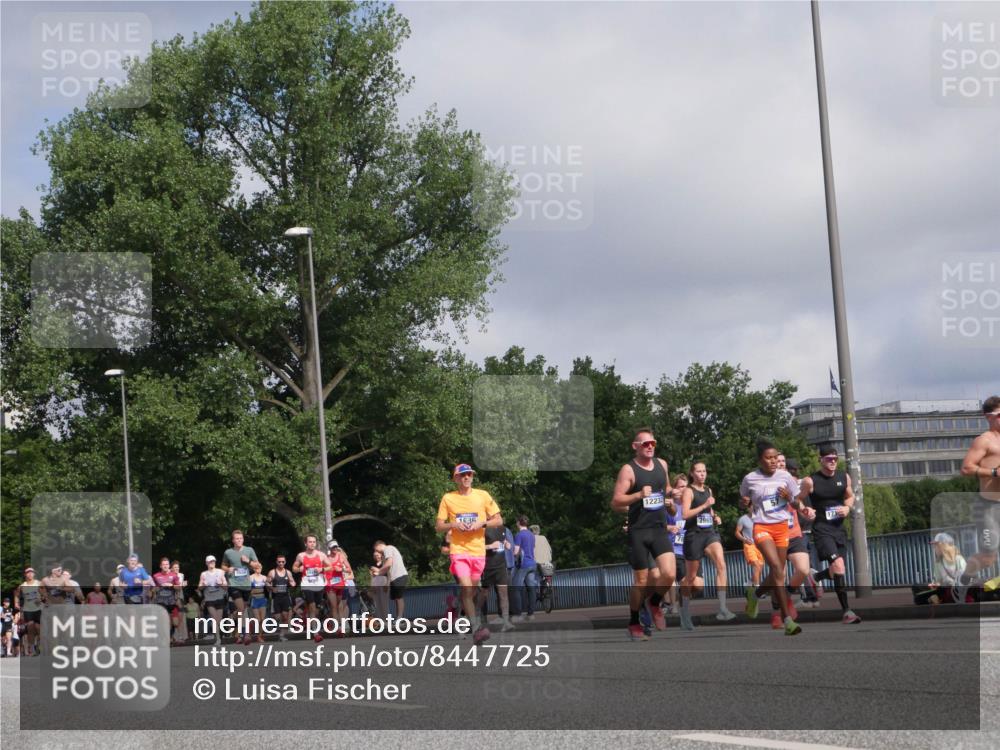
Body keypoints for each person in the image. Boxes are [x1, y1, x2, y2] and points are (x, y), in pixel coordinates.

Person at [610, 427, 676, 641]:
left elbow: (665, 488)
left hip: (658, 529)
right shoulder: (628, 470)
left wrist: (671, 495)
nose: (650, 447)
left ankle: (655, 602)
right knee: (641, 580)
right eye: (645, 444)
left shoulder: (662, 464)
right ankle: (633, 621)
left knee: (669, 574)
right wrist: (638, 494)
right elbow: (616, 501)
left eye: (652, 443)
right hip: (638, 531)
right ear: (635, 446)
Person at [740, 439, 804, 636]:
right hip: (761, 527)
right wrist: (744, 503)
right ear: (760, 460)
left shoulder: (786, 476)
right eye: (769, 458)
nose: (773, 461)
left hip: (782, 527)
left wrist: (789, 498)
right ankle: (787, 620)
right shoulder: (750, 478)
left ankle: (755, 594)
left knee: (778, 572)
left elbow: (796, 505)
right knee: (777, 569)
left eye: (776, 457)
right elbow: (743, 499)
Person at [435, 463, 503, 645]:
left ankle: (468, 612)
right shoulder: (448, 498)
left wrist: (481, 524)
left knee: (472, 591)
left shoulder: (483, 495)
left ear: (472, 477)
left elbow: (498, 520)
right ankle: (476, 628)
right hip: (459, 550)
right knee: (466, 588)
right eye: (462, 475)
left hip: (478, 550)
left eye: (469, 475)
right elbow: (439, 526)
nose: (466, 478)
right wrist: (454, 525)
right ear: (456, 478)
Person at [797, 443, 861, 624]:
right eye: (829, 459)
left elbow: (849, 496)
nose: (833, 462)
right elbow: (797, 500)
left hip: (839, 529)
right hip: (822, 530)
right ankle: (847, 612)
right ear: (821, 460)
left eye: (835, 459)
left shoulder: (843, 477)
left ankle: (815, 577)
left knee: (837, 570)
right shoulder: (811, 481)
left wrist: (847, 508)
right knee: (839, 566)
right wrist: (806, 510)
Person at [680, 460, 735, 628]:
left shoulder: (708, 489)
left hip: (709, 533)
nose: (702, 474)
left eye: (704, 471)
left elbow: (709, 510)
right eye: (698, 471)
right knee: (690, 578)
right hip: (693, 535)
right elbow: (685, 514)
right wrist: (704, 505)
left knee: (721, 564)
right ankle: (684, 612)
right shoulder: (688, 491)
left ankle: (723, 608)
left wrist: (714, 515)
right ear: (692, 473)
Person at [956, 395, 1000, 601]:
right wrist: (993, 473)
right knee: (988, 557)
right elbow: (966, 468)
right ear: (988, 417)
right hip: (989, 506)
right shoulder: (983, 440)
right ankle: (964, 580)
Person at [221, 529, 259, 645]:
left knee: (243, 610)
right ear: (233, 540)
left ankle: (236, 624)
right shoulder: (228, 552)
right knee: (242, 609)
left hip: (246, 585)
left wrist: (248, 561)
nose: (239, 540)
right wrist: (228, 569)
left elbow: (257, 566)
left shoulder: (249, 550)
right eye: (236, 539)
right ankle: (246, 634)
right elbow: (222, 566)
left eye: (241, 538)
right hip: (234, 584)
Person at [293, 534, 331, 643]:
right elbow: (294, 568)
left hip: (318, 585)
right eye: (310, 542)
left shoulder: (321, 555)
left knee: (316, 610)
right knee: (312, 606)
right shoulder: (301, 556)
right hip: (306, 585)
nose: (312, 544)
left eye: (314, 542)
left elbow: (330, 566)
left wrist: (321, 569)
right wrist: (299, 569)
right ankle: (316, 633)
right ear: (306, 543)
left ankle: (311, 624)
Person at [913, 533, 967, 605]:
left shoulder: (959, 559)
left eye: (936, 545)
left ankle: (937, 599)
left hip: (955, 589)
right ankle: (937, 598)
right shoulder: (938, 562)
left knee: (922, 598)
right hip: (943, 589)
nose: (934, 548)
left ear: (943, 546)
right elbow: (938, 580)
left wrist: (949, 583)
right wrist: (935, 584)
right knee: (916, 589)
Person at [481, 524, 515, 631]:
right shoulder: (482, 528)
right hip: (486, 567)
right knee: (484, 595)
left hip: (501, 566)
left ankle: (506, 622)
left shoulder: (503, 529)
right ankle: (481, 621)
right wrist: (490, 546)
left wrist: (506, 544)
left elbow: (503, 542)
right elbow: (475, 548)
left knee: (503, 594)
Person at [511, 515, 538, 622]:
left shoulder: (519, 535)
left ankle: (518, 615)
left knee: (516, 588)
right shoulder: (532, 535)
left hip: (523, 564)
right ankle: (531, 614)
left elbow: (516, 552)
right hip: (532, 563)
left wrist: (510, 552)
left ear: (518, 523)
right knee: (531, 589)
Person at [372, 540, 409, 620]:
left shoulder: (387, 549)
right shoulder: (385, 554)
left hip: (399, 576)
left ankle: (400, 618)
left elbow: (389, 564)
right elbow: (387, 570)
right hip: (395, 577)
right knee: (396, 598)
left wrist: (379, 571)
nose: (376, 551)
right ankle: (400, 617)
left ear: (380, 545)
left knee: (399, 597)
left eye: (376, 549)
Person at [152, 557, 183, 644]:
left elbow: (179, 587)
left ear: (169, 565)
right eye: (164, 564)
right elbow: (152, 589)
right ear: (160, 566)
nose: (165, 566)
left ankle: (170, 635)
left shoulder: (174, 575)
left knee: (175, 623)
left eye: (167, 564)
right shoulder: (156, 576)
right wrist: (155, 589)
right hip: (160, 601)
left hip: (171, 601)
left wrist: (172, 585)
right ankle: (166, 638)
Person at [198, 555, 228, 645]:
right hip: (209, 599)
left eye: (213, 561)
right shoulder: (203, 574)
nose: (212, 563)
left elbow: (226, 587)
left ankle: (219, 634)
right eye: (210, 562)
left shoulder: (221, 572)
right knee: (215, 619)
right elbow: (199, 588)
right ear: (206, 563)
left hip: (219, 598)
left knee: (218, 620)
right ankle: (218, 639)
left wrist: (221, 583)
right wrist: (204, 585)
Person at [267, 555, 295, 639]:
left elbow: (292, 581)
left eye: (282, 562)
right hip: (276, 598)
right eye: (279, 562)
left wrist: (293, 583)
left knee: (285, 616)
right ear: (277, 562)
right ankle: (279, 629)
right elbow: (267, 582)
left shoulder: (288, 572)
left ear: (285, 562)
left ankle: (282, 634)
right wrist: (272, 588)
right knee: (278, 617)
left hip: (285, 597)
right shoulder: (272, 572)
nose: (281, 563)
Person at [14, 568, 41, 656]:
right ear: (25, 575)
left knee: (39, 628)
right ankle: (32, 649)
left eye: (31, 573)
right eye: (28, 573)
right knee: (30, 627)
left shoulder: (39, 583)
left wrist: (43, 599)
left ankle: (39, 647)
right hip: (28, 609)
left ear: (34, 574)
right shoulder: (22, 585)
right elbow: (16, 595)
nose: (29, 574)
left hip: (38, 609)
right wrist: (16, 603)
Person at [736, 510, 764, 590]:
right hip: (749, 545)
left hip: (760, 545)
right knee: (756, 566)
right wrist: (744, 539)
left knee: (759, 570)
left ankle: (749, 583)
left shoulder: (761, 517)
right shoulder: (743, 519)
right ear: (749, 507)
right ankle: (758, 590)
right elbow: (737, 532)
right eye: (753, 506)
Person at [248, 561, 269, 644]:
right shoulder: (251, 577)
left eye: (260, 567)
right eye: (257, 568)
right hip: (255, 599)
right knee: (257, 619)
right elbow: (248, 589)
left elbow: (269, 586)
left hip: (262, 599)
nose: (259, 569)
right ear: (254, 569)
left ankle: (260, 636)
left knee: (262, 620)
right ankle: (254, 633)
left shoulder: (264, 577)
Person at [369, 549, 390, 619]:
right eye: (375, 556)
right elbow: (371, 576)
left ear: (381, 555)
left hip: (383, 581)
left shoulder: (385, 563)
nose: (376, 557)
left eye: (377, 555)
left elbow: (389, 574)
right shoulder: (372, 565)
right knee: (377, 603)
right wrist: (372, 586)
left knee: (384, 603)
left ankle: (387, 619)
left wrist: (387, 584)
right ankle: (381, 620)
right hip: (376, 582)